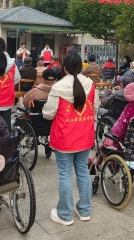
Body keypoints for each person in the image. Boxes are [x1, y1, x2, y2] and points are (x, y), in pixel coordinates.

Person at [42, 52, 98, 225]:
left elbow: (48, 113)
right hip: (85, 135)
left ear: (64, 68)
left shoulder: (58, 87)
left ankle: (65, 214)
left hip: (64, 138)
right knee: (83, 172)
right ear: (81, 67)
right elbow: (95, 108)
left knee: (65, 175)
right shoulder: (90, 84)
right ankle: (84, 210)